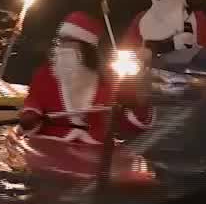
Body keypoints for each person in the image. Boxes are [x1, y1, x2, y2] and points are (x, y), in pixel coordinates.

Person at [20, 11, 150, 144]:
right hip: (50, 142)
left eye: (67, 41)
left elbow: (130, 126)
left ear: (85, 48)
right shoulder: (45, 74)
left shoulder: (109, 80)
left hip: (95, 148)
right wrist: (31, 114)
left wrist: (136, 105)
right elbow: (33, 100)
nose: (59, 47)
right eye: (59, 40)